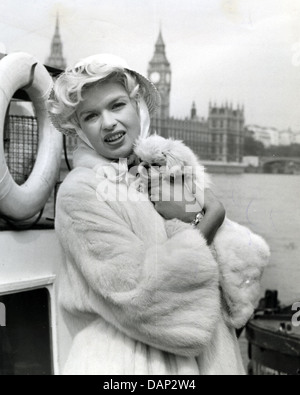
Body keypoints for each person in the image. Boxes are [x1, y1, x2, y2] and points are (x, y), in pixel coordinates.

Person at [48, 54, 269, 375]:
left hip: (205, 355)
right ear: (79, 128)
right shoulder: (80, 191)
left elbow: (238, 287)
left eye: (117, 105)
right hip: (128, 364)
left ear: (137, 106)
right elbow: (142, 294)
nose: (108, 122)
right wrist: (207, 219)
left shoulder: (164, 167)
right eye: (91, 115)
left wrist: (193, 213)